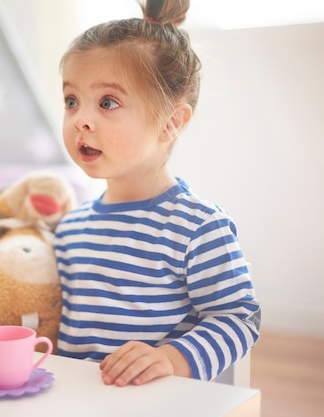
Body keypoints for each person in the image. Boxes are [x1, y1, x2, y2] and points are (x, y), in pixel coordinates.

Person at [54, 0, 261, 386]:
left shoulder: (198, 227)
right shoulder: (69, 229)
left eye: (108, 102)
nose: (80, 118)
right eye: (71, 101)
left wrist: (171, 358)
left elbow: (239, 318)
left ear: (170, 123)